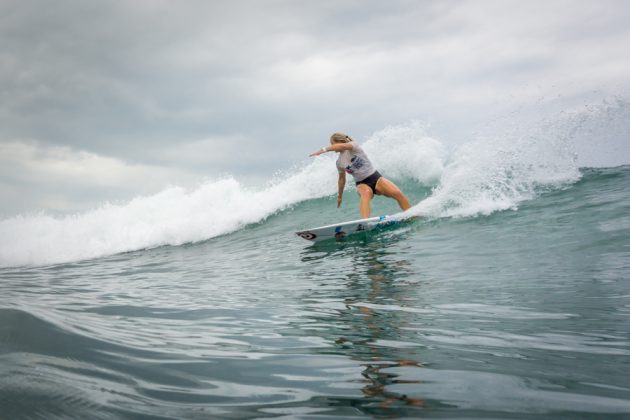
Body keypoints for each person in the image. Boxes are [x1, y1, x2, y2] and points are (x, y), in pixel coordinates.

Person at [310, 132, 411, 218]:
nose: (332, 146)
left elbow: (344, 146)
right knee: (366, 193)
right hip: (361, 183)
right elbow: (341, 179)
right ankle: (365, 222)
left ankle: (411, 214)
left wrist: (322, 150)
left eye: (332, 144)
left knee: (397, 193)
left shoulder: (353, 146)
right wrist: (339, 196)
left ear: (340, 141)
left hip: (375, 177)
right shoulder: (339, 162)